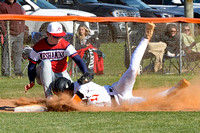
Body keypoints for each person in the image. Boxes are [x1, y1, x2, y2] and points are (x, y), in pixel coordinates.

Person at [50, 23, 191, 107]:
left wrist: (57, 105)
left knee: (133, 69)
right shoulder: (76, 90)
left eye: (61, 94)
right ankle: (176, 89)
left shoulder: (81, 86)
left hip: (116, 90)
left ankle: (146, 37)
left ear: (65, 89)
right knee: (150, 102)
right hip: (121, 103)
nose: (62, 96)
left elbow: (74, 103)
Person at [24, 22, 89, 98]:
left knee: (72, 93)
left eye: (60, 36)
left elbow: (78, 60)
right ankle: (48, 95)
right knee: (46, 62)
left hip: (60, 73)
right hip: (42, 74)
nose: (59, 39)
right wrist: (31, 81)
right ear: (48, 34)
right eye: (56, 36)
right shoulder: (38, 46)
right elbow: (32, 65)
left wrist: (85, 73)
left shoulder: (65, 45)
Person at [0, 0, 25, 76]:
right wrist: (5, 33)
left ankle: (18, 71)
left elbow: (22, 18)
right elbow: (1, 21)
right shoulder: (3, 6)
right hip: (9, 33)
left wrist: (23, 30)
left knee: (18, 53)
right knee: (6, 53)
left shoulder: (18, 6)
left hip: (19, 33)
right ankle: (6, 72)